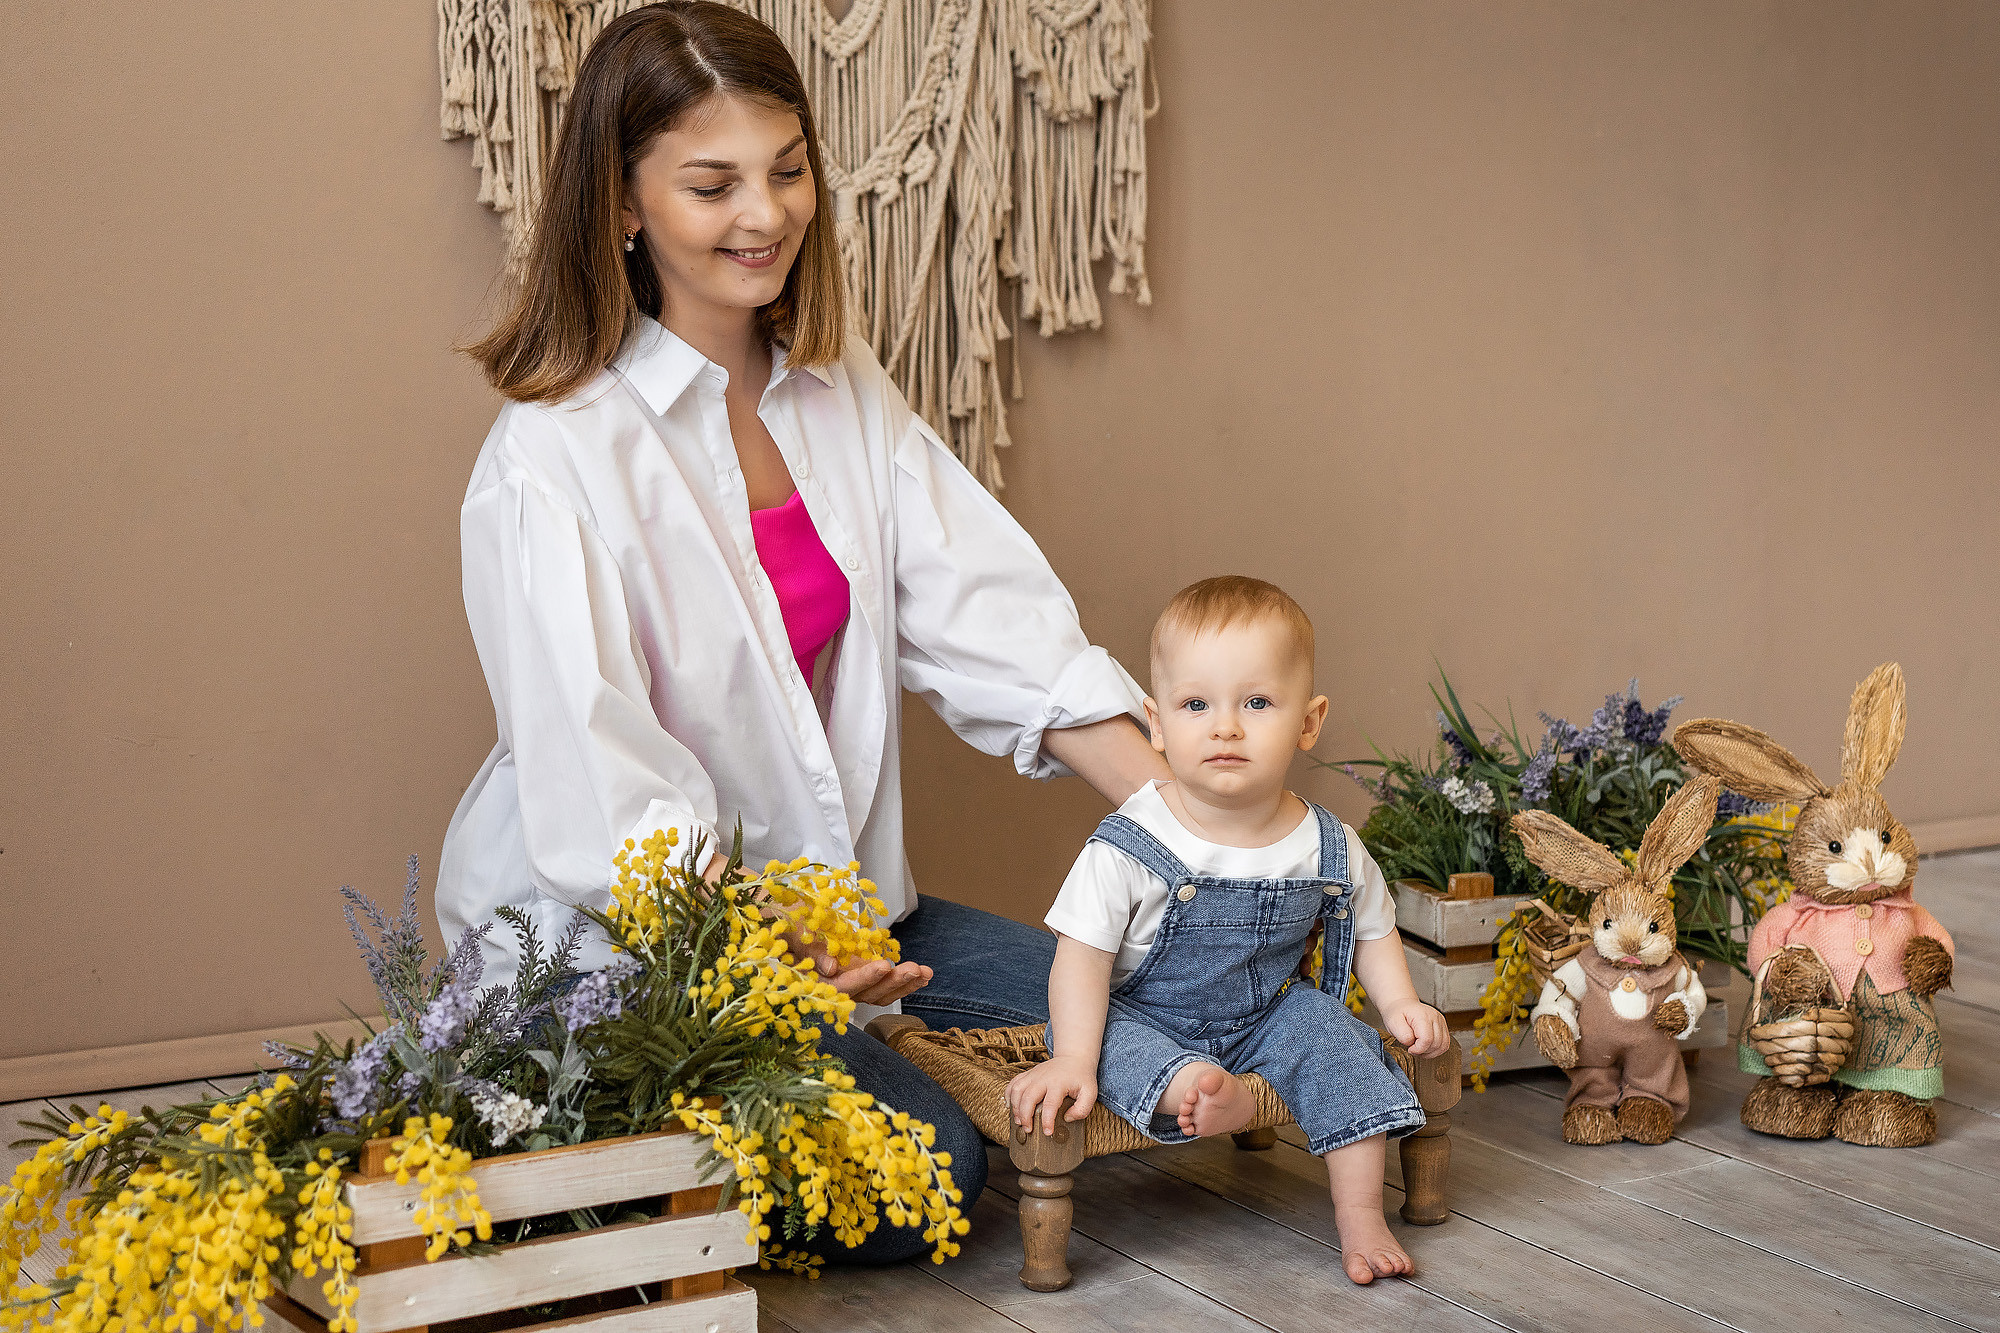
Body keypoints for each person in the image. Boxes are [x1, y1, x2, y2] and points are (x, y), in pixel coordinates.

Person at [435, 1, 1167, 1262]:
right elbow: (604, 786)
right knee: (921, 1174)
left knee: (1153, 1001)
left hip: (852, 922)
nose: (764, 216)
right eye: (712, 184)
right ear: (623, 204)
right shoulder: (548, 459)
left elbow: (997, 628)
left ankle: (844, 1037)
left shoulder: (842, 393)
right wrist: (778, 944)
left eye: (786, 171)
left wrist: (1194, 829)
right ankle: (587, 1114)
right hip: (647, 946)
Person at [1005, 576, 1451, 1284]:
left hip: (1265, 1015)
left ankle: (1362, 1213)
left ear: (1308, 721)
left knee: (1336, 1037)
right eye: (1195, 704)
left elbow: (1371, 928)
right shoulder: (1129, 842)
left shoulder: (1326, 843)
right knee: (1100, 1045)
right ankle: (1198, 1089)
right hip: (1141, 1014)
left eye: (1257, 702)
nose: (1225, 726)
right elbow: (1082, 962)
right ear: (1156, 723)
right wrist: (1072, 1060)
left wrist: (1399, 1005)